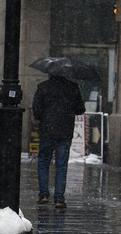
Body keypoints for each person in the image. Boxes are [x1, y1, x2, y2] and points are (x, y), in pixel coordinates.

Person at [31, 73, 85, 208]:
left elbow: (36, 110)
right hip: (65, 132)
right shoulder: (73, 88)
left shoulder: (43, 87)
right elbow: (80, 109)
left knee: (43, 162)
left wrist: (44, 115)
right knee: (61, 165)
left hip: (47, 130)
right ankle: (59, 198)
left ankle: (43, 194)